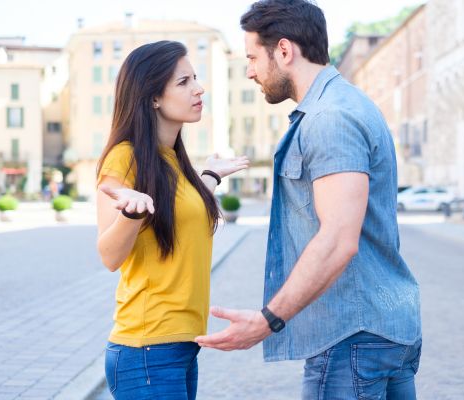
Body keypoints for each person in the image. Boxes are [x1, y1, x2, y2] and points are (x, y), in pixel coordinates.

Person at [195, 1, 422, 399]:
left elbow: (337, 239)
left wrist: (267, 321)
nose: (249, 70)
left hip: (352, 337)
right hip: (382, 329)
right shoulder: (348, 104)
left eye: (252, 58)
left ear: (284, 50)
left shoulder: (330, 117)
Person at [96, 40, 249, 399]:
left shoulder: (173, 162)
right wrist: (131, 213)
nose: (199, 88)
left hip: (179, 346)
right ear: (153, 97)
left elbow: (180, 214)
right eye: (183, 82)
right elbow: (109, 255)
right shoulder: (124, 158)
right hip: (146, 348)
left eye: (195, 78)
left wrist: (208, 177)